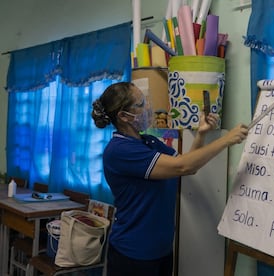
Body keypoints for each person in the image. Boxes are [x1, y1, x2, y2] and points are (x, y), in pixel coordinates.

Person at [91, 82, 248, 276]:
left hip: (161, 249)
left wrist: (201, 134)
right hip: (133, 254)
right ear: (123, 116)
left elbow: (187, 166)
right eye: (140, 104)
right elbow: (183, 166)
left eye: (146, 100)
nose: (148, 107)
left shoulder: (149, 142)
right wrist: (226, 139)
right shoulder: (119, 151)